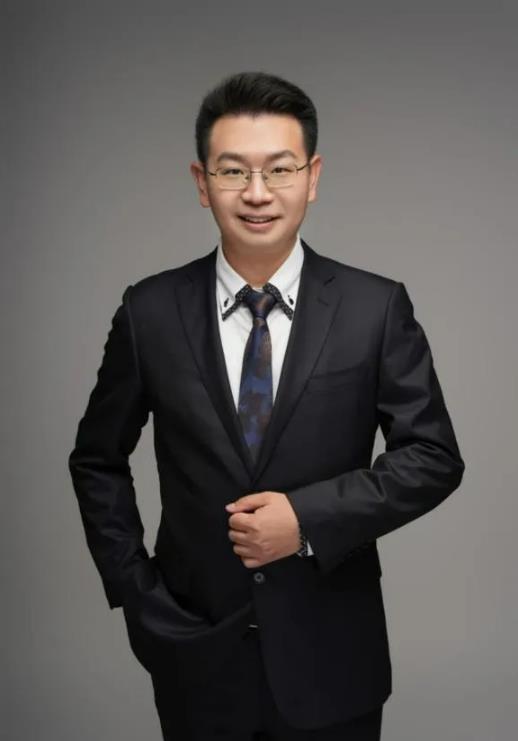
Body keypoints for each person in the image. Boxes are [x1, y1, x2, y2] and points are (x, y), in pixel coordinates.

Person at [68, 71, 465, 741]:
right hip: (194, 647)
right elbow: (96, 459)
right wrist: (135, 588)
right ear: (202, 182)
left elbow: (433, 457)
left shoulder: (374, 308)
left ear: (313, 177)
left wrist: (306, 519)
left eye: (279, 169)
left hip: (333, 654)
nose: (257, 193)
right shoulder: (149, 311)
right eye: (233, 171)